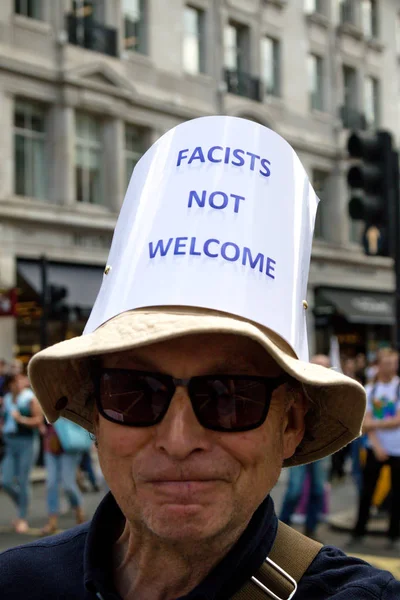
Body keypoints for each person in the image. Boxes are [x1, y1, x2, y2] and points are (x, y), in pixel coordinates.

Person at [0, 116, 398, 599]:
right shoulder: (18, 583)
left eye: (231, 396)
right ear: (96, 421)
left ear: (290, 424)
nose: (179, 439)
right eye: (134, 393)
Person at [350, 348, 400, 549]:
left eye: (394, 362)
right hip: (374, 449)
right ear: (378, 365)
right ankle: (358, 532)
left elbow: (397, 421)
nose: (391, 366)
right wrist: (378, 446)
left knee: (398, 495)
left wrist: (374, 424)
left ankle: (393, 536)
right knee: (366, 493)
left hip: (397, 450)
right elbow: (364, 423)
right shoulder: (370, 390)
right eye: (387, 362)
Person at [279, 355, 330, 540]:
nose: (322, 370)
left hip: (321, 448)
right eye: (318, 366)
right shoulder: (298, 390)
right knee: (294, 490)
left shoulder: (330, 395)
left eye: (326, 367)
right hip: (297, 445)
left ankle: (311, 529)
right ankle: (279, 528)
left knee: (317, 489)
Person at [1, 372, 43, 533]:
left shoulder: (29, 398)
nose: (19, 384)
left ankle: (22, 517)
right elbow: (4, 418)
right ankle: (23, 503)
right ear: (10, 384)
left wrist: (21, 420)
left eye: (20, 380)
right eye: (15, 381)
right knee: (5, 481)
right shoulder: (6, 399)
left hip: (27, 442)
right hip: (10, 442)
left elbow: (38, 420)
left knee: (23, 480)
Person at [40, 423, 85, 535]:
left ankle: (79, 512)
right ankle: (52, 522)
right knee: (51, 483)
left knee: (67, 484)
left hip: (70, 444)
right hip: (51, 444)